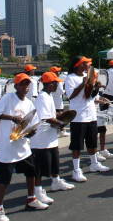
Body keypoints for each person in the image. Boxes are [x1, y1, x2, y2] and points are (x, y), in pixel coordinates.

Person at [0, 73, 48, 221]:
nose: (25, 87)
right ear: (15, 86)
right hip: (8, 146)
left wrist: (31, 132)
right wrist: (12, 117)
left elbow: (33, 122)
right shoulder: (8, 98)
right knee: (4, 180)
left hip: (22, 145)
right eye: (22, 84)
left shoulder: (29, 103)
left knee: (31, 172)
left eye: (27, 84)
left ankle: (31, 199)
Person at [31, 72, 74, 205]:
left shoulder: (48, 96)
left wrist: (59, 114)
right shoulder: (42, 97)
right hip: (41, 139)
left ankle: (56, 182)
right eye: (56, 83)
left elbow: (51, 114)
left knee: (55, 161)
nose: (58, 85)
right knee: (39, 168)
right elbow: (47, 118)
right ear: (50, 84)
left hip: (50, 137)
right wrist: (61, 123)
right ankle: (37, 192)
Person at [65, 56, 110, 182]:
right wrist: (82, 83)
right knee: (77, 146)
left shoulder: (87, 76)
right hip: (78, 117)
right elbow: (70, 96)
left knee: (92, 142)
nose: (88, 65)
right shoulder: (70, 78)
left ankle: (94, 164)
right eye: (85, 63)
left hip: (91, 115)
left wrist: (97, 88)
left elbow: (90, 96)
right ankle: (76, 170)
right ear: (78, 65)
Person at [96, 60, 113, 159]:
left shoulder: (104, 74)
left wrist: (103, 98)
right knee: (95, 132)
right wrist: (100, 100)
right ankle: (95, 153)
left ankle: (102, 150)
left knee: (103, 129)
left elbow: (97, 96)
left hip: (99, 107)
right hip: (90, 114)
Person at [49, 66, 69, 137]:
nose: (59, 72)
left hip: (53, 100)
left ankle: (56, 131)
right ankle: (61, 131)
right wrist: (65, 91)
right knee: (61, 116)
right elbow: (60, 91)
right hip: (58, 102)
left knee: (53, 116)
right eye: (57, 71)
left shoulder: (49, 80)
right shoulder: (58, 80)